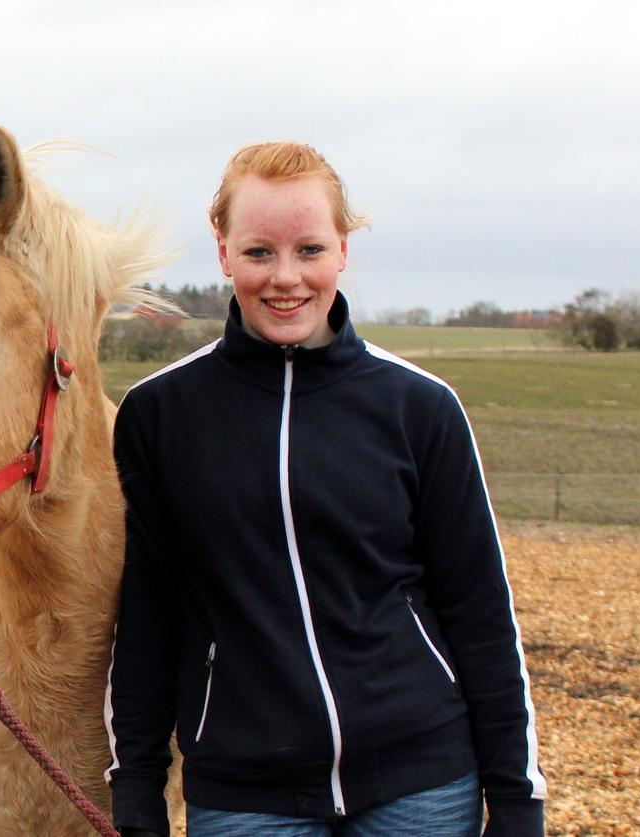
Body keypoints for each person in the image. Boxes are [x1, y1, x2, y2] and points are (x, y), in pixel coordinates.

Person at [103, 142, 546, 837]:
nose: (286, 278)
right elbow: (148, 616)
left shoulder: (420, 407)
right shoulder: (160, 415)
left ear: (343, 248)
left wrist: (517, 798)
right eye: (259, 253)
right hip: (245, 795)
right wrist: (136, 787)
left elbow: (480, 608)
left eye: (309, 249)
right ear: (222, 253)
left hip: (421, 783)